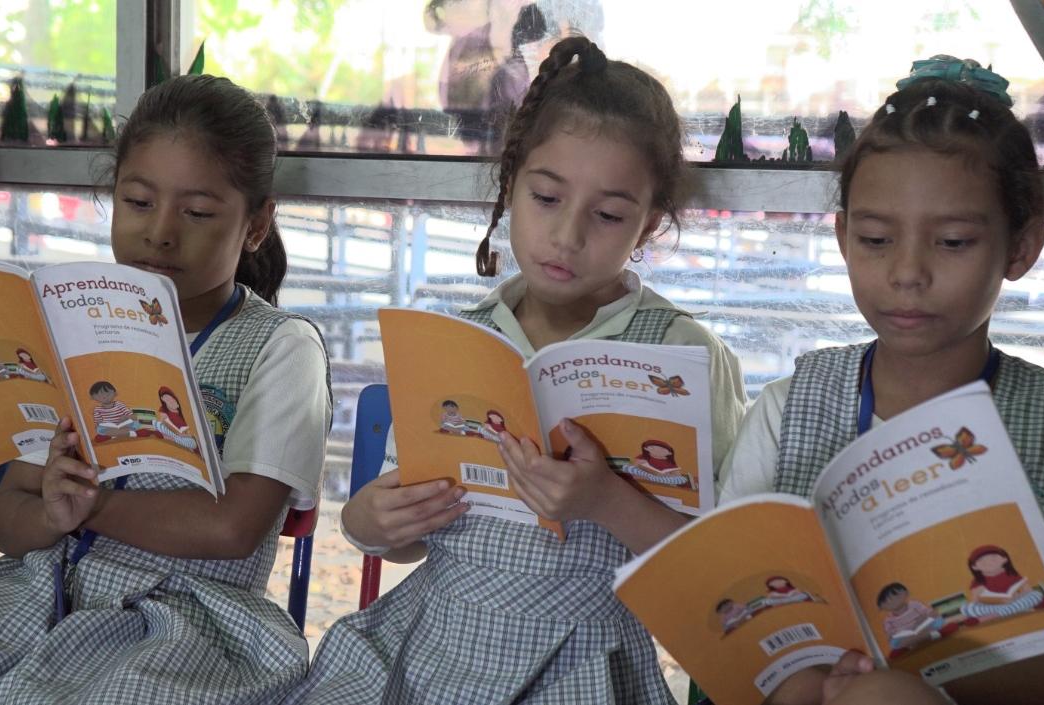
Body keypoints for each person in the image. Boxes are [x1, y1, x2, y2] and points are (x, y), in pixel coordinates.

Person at [0, 74, 332, 704]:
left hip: (185, 624)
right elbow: (4, 519)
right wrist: (47, 513)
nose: (161, 232)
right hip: (37, 594)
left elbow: (234, 527)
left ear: (257, 224)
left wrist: (91, 508)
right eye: (137, 202)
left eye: (199, 212)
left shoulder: (280, 346)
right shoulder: (62, 330)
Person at [297, 36, 747, 703]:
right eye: (546, 199)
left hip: (584, 664)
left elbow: (720, 565)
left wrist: (605, 501)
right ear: (511, 188)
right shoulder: (457, 339)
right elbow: (395, 540)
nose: (567, 236)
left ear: (647, 228)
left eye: (609, 214)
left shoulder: (683, 354)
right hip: (431, 646)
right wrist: (372, 519)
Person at [717, 56, 1044, 705]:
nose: (907, 272)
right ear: (841, 238)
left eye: (951, 241)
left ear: (1021, 248)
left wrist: (909, 688)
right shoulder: (786, 413)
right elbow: (737, 628)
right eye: (875, 238)